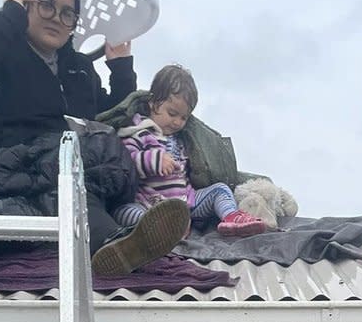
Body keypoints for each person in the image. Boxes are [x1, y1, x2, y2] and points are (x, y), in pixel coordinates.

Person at [0, 0, 188, 279]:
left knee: (84, 203)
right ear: (27, 5)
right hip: (3, 170)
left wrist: (121, 69)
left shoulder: (79, 68)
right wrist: (8, 16)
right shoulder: (0, 50)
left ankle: (118, 247)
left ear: (74, 22)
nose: (57, 18)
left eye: (67, 13)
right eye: (47, 6)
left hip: (65, 178)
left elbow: (109, 117)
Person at [111, 64, 269, 246]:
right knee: (122, 211)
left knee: (220, 189)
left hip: (187, 201)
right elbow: (126, 162)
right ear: (153, 103)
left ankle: (232, 217)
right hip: (150, 204)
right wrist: (154, 160)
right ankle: (158, 229)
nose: (177, 122)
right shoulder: (139, 132)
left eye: (184, 117)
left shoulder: (182, 139)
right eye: (172, 113)